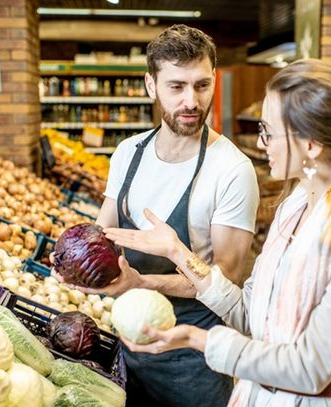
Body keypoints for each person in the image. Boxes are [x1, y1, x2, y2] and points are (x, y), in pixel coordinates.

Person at [103, 59, 331, 406]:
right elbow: (250, 315)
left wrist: (198, 340)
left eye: (268, 131)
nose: (262, 144)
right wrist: (178, 252)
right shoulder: (293, 208)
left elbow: (310, 367)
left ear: (310, 143)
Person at [56, 24, 259, 406]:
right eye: (176, 86)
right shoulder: (128, 153)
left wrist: (139, 283)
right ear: (151, 85)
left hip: (193, 360)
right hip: (126, 345)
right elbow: (104, 230)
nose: (191, 101)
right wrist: (73, 261)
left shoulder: (232, 169)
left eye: (201, 85)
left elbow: (225, 281)